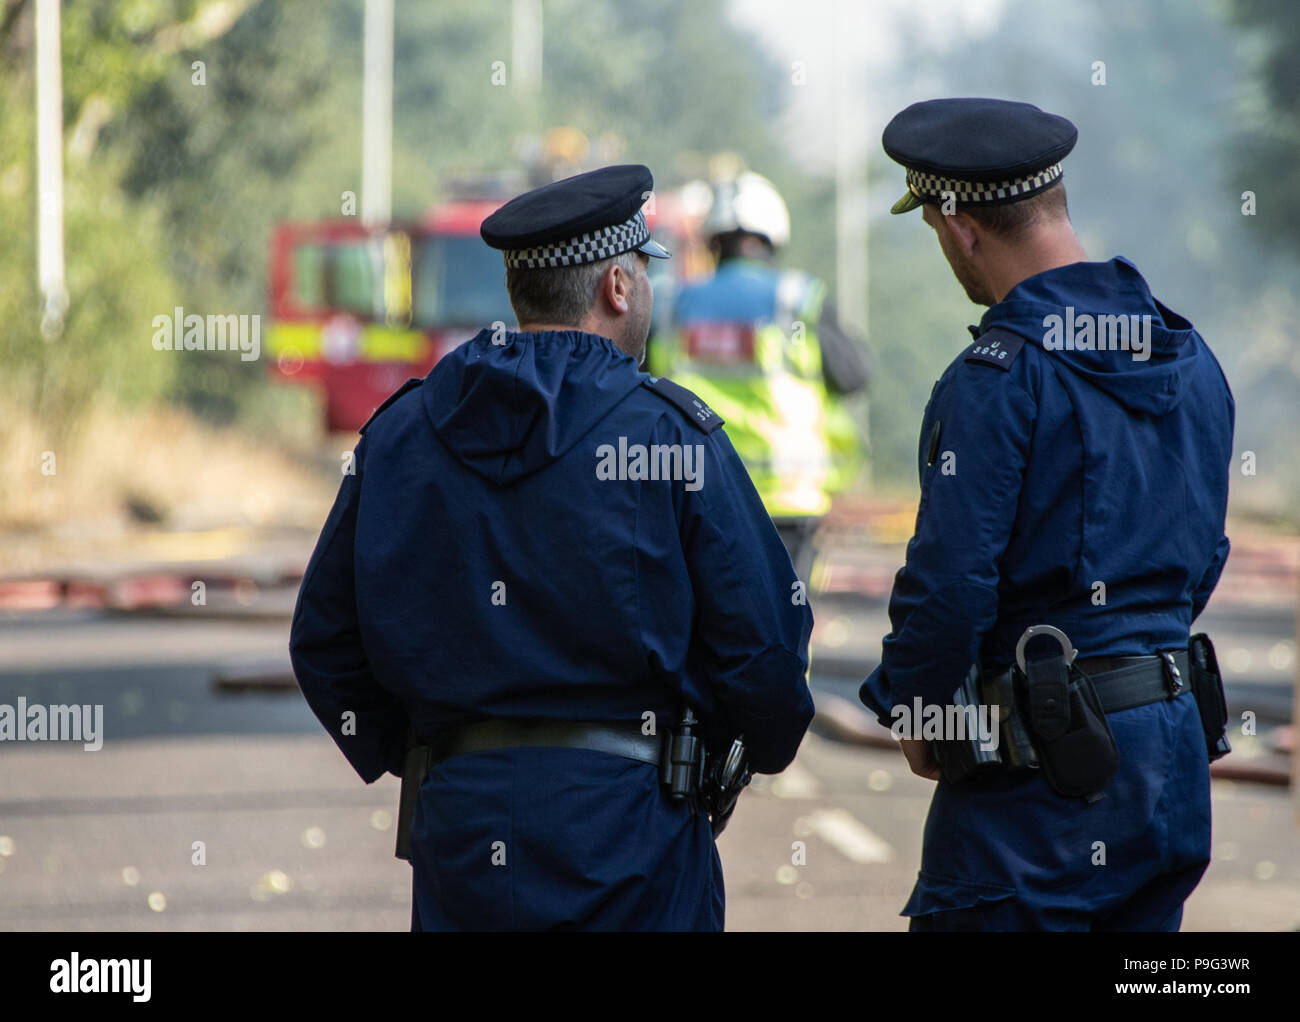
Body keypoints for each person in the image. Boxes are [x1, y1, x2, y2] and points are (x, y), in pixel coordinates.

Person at [289, 163, 815, 931]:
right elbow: (764, 652)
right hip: (637, 836)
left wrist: (436, 757)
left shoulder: (402, 432)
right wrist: (733, 759)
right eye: (644, 270)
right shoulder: (670, 436)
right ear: (617, 287)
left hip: (461, 837)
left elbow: (325, 643)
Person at [859, 98, 1234, 930]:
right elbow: (1203, 557)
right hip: (1170, 757)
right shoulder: (1189, 357)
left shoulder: (998, 378)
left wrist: (917, 708)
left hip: (1040, 789)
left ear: (960, 227)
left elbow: (952, 583)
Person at [649, 170, 869, 581]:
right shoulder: (798, 298)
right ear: (772, 239)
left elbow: (646, 383)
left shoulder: (671, 306)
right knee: (783, 628)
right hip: (788, 501)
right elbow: (854, 375)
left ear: (713, 242)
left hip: (700, 494)